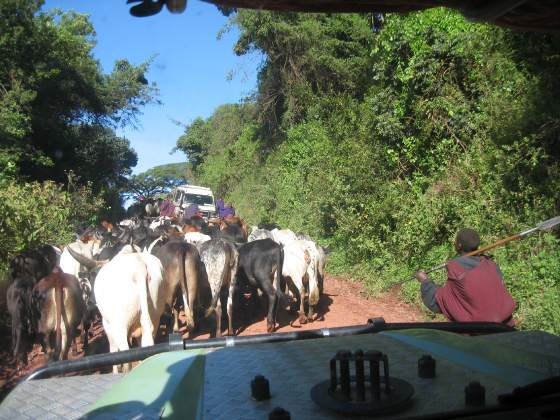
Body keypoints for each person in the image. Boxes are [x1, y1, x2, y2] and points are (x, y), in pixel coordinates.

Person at [415, 228, 516, 326]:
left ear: (459, 246)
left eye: (455, 241)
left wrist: (425, 280)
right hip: (505, 325)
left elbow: (438, 302)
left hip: (480, 331)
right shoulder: (491, 265)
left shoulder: (458, 271)